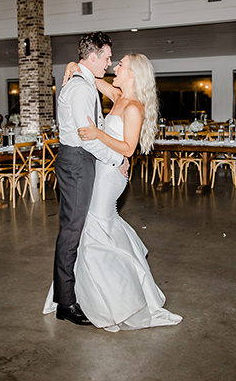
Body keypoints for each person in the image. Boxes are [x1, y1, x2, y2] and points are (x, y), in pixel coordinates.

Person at [44, 53, 182, 332]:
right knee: (96, 227)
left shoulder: (134, 108)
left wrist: (97, 134)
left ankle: (105, 298)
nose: (114, 68)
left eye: (120, 65)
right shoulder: (118, 94)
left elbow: (129, 148)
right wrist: (72, 65)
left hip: (110, 176)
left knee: (93, 227)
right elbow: (92, 79)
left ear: (132, 73)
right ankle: (90, 291)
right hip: (103, 167)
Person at [46, 32, 129, 326]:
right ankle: (66, 304)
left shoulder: (82, 81)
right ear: (92, 56)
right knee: (71, 231)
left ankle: (70, 294)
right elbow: (87, 138)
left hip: (78, 160)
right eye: (106, 57)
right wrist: (117, 159)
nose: (109, 62)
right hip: (77, 161)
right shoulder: (80, 89)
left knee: (75, 229)